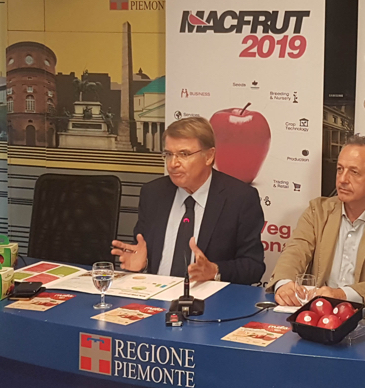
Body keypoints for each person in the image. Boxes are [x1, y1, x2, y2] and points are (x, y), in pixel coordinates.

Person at [111, 117, 265, 285]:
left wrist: (215, 270)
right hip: (156, 294)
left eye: (184, 154)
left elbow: (253, 266)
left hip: (209, 298)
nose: (172, 164)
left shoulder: (239, 198)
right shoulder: (153, 193)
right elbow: (141, 249)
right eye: (168, 154)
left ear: (209, 156)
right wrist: (142, 264)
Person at [267, 135, 365, 307]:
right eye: (340, 169)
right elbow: (295, 252)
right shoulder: (318, 211)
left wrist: (342, 295)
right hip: (318, 311)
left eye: (354, 172)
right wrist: (284, 284)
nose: (342, 179)